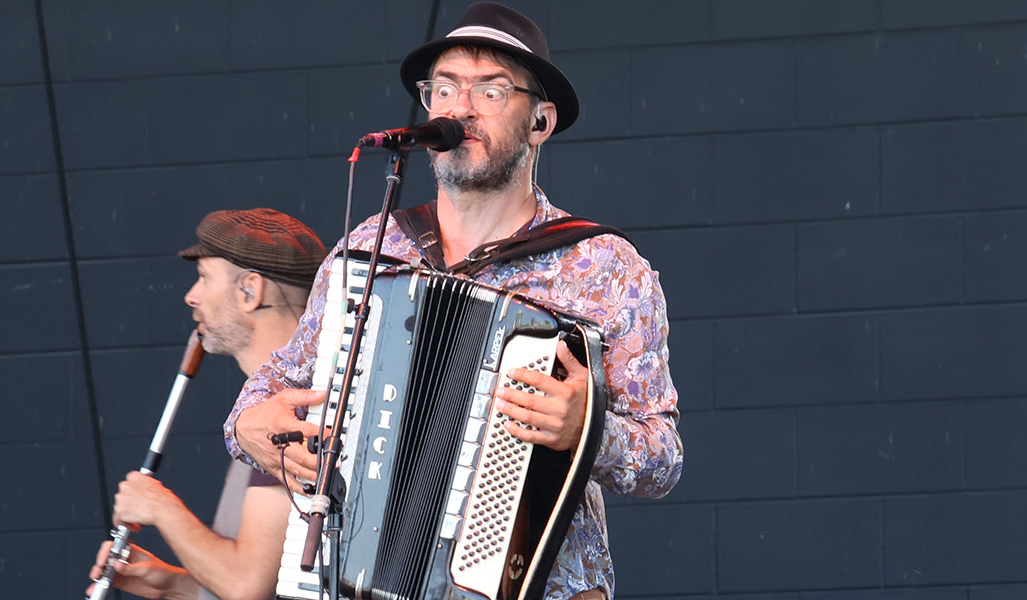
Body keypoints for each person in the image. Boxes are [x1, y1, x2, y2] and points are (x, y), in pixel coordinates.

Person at [223, 4, 682, 599]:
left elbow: (662, 458)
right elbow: (266, 392)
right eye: (443, 88)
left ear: (540, 123)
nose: (459, 108)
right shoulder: (369, 249)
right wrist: (250, 427)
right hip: (362, 580)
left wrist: (585, 430)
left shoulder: (604, 268)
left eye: (490, 91)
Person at [86, 209, 327, 600]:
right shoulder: (256, 416)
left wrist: (160, 507)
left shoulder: (292, 414)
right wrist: (174, 586)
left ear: (251, 291)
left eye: (203, 278)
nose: (190, 296)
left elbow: (246, 584)